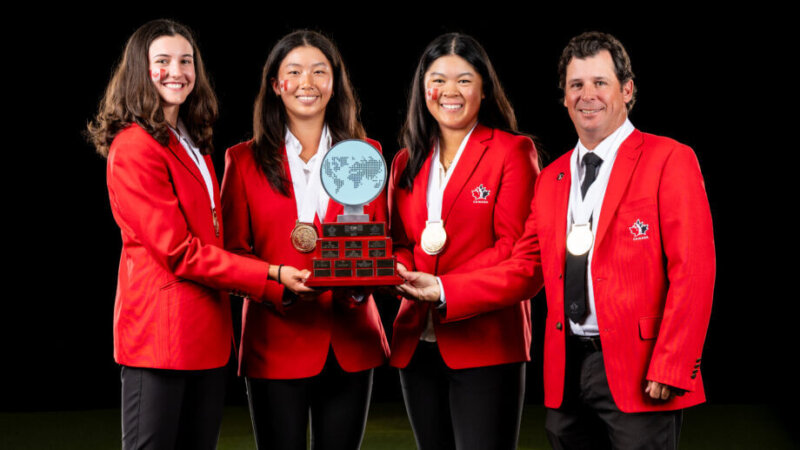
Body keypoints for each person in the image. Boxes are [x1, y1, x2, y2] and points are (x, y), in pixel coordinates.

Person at [398, 31, 715, 449]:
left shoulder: (669, 158)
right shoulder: (552, 178)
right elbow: (526, 265)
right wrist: (442, 289)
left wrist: (672, 364)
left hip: (639, 366)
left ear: (627, 89)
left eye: (600, 82)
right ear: (564, 97)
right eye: (576, 85)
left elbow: (694, 270)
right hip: (567, 371)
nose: (588, 95)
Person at [87, 19, 308, 450]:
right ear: (139, 70)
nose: (177, 72)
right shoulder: (134, 146)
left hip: (206, 337)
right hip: (160, 340)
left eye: (186, 61)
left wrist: (272, 278)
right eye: (163, 61)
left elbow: (213, 240)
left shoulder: (190, 139)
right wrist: (271, 275)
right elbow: (180, 251)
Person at [220, 30, 389, 450]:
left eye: (319, 71)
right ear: (276, 85)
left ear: (335, 82)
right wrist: (278, 284)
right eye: (293, 72)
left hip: (350, 339)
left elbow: (379, 238)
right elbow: (233, 254)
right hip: (274, 340)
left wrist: (358, 284)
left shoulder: (366, 153)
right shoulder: (242, 160)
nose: (307, 82)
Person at [388, 33, 539, 450]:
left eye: (464, 80)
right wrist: (399, 268)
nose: (449, 91)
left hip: (488, 342)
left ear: (484, 89)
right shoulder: (406, 159)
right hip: (418, 342)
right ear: (423, 89)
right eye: (437, 80)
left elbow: (513, 249)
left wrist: (442, 287)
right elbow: (402, 242)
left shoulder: (512, 151)